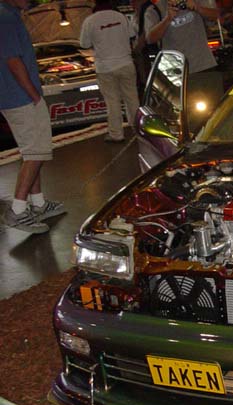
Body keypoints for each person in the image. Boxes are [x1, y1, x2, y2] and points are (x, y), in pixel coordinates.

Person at [0, 0, 66, 234]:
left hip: (13, 96)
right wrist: (34, 95)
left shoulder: (10, 14)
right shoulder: (6, 17)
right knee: (37, 150)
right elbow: (12, 60)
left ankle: (38, 203)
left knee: (32, 151)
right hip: (20, 97)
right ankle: (17, 211)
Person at [145, 0, 224, 131]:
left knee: (216, 112)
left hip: (205, 66)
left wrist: (197, 8)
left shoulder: (197, 1)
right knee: (188, 117)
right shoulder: (155, 9)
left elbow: (217, 15)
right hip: (177, 73)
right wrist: (167, 19)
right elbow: (150, 38)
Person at [80, 0, 140, 143]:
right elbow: (132, 34)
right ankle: (138, 128)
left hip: (105, 67)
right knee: (132, 98)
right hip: (126, 63)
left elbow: (84, 44)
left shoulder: (90, 21)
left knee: (112, 102)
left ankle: (116, 134)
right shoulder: (120, 16)